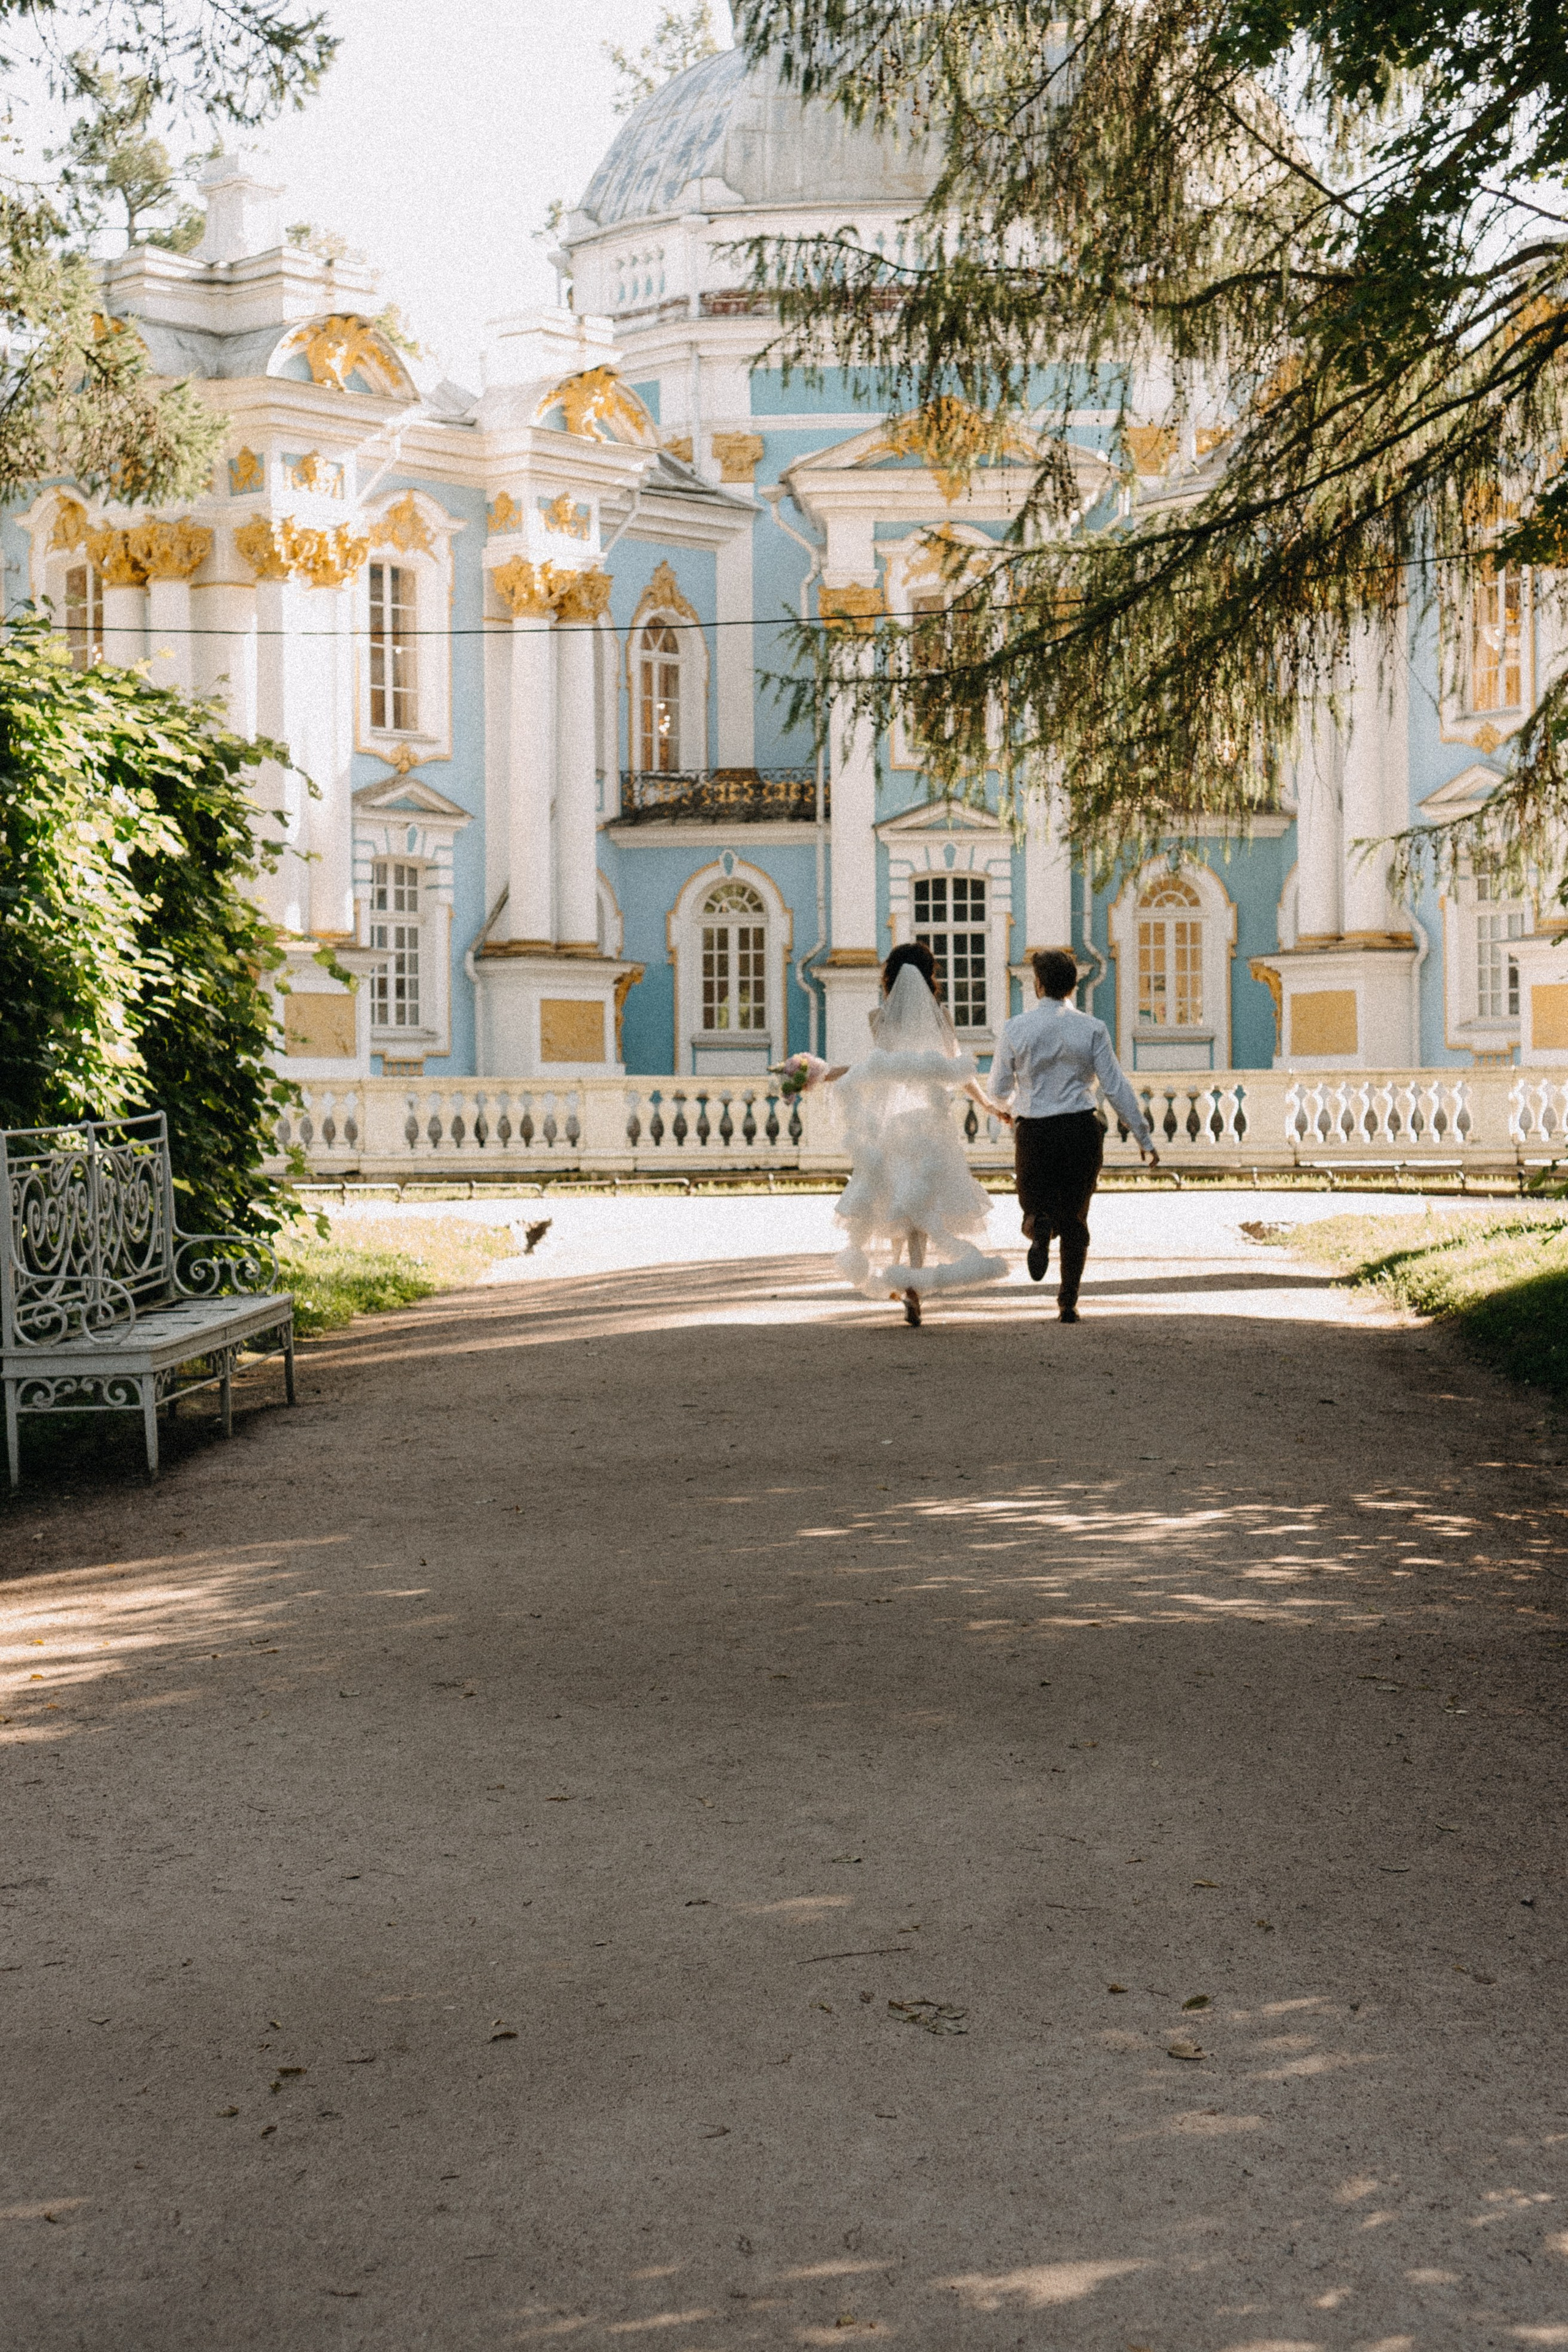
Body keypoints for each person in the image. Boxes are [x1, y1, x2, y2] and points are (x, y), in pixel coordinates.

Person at [823, 940, 1008, 1327]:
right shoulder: (941, 1017)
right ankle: (914, 1287)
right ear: (930, 976)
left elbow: (873, 1069)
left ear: (890, 976)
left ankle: (899, 1275)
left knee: (895, 1198)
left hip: (892, 1121)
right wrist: (989, 1105)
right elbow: (957, 1072)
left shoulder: (879, 1017)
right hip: (928, 1121)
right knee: (925, 1203)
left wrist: (829, 1073)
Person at [988, 948, 1159, 1323]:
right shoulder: (1092, 1028)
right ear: (1073, 985)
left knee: (1033, 1207)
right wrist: (1144, 1139)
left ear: (1038, 984)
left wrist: (1008, 1107)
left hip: (1035, 1131)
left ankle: (1039, 1226)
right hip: (1081, 1128)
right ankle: (1068, 1301)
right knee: (1077, 1219)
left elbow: (999, 1088)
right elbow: (1116, 1087)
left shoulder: (1016, 1028)